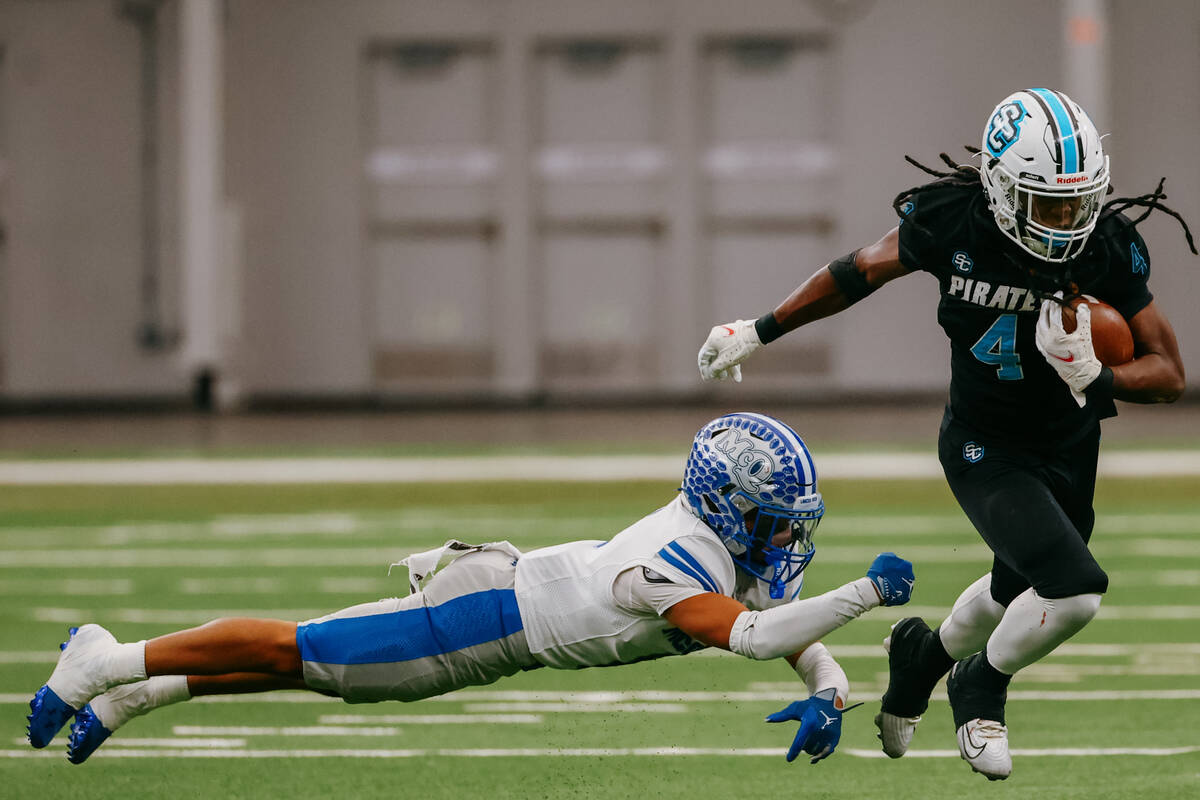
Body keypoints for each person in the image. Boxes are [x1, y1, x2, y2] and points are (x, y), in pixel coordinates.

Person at [696, 88, 1194, 781]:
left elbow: (1169, 371)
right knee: (1074, 588)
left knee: (1006, 595)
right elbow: (858, 272)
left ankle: (920, 662)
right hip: (983, 443)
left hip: (1071, 442)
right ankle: (979, 686)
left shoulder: (1106, 242)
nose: (1067, 222)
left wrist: (1100, 379)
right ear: (998, 189)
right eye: (1047, 204)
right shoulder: (955, 220)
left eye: (1078, 202)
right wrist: (759, 329)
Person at [26, 411, 915, 766]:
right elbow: (757, 637)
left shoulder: (714, 554)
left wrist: (830, 689)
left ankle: (142, 691)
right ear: (730, 507)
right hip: (484, 617)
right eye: (771, 518)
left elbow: (776, 625)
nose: (784, 536)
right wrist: (866, 593)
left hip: (499, 612)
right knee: (301, 650)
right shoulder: (670, 569)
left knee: (319, 667)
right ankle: (112, 659)